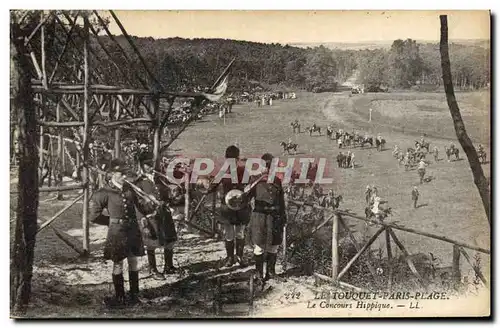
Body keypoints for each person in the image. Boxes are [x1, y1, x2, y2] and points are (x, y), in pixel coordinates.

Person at [89, 159, 144, 307]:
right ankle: (120, 297)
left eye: (126, 173)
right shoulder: (103, 192)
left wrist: (154, 209)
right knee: (118, 264)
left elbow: (141, 206)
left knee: (133, 262)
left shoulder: (130, 189)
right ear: (113, 173)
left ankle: (134, 295)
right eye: (121, 173)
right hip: (117, 232)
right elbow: (93, 216)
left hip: (132, 230)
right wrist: (112, 222)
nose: (124, 176)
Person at [135, 153, 178, 280]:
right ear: (141, 166)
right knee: (152, 244)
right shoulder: (139, 183)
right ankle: (153, 270)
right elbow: (136, 203)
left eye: (151, 163)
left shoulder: (159, 179)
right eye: (147, 164)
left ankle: (169, 266)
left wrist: (172, 195)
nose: (150, 167)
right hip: (151, 216)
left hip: (164, 214)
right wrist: (143, 220)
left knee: (170, 240)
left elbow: (164, 195)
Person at [206, 145, 250, 267]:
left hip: (240, 205)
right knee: (230, 233)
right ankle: (230, 258)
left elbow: (249, 187)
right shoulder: (223, 172)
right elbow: (212, 186)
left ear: (237, 159)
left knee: (239, 233)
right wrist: (207, 187)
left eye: (234, 159)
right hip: (228, 206)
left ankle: (239, 257)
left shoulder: (243, 170)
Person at [248, 153, 287, 282]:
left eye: (271, 166)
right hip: (260, 217)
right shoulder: (254, 179)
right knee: (259, 246)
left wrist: (283, 217)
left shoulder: (277, 181)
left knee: (274, 245)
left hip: (275, 217)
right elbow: (245, 196)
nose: (268, 168)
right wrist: (258, 179)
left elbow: (281, 201)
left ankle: (271, 272)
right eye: (266, 165)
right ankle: (259, 274)